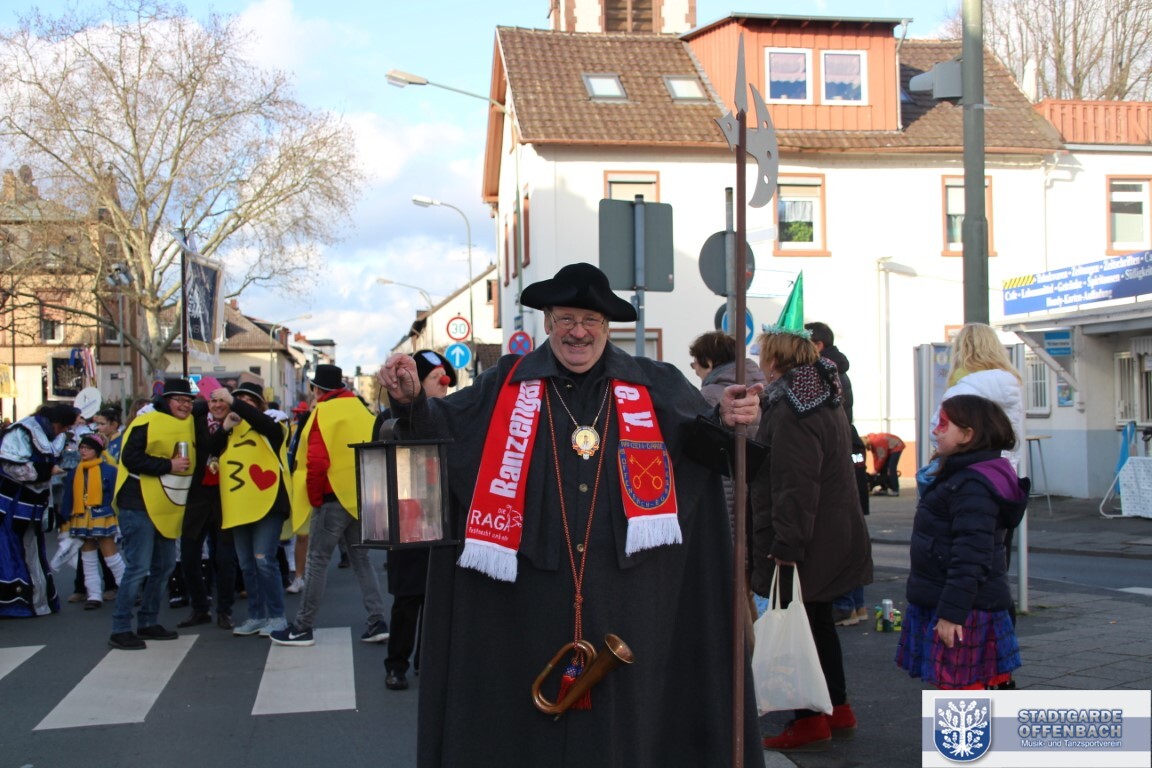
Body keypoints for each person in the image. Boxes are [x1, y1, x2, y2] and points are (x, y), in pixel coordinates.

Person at [377, 262, 765, 768]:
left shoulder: (655, 384)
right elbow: (443, 431)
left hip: (629, 603)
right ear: (547, 322)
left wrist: (730, 418)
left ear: (607, 326)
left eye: (590, 320)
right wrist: (409, 402)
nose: (577, 332)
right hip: (524, 607)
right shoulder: (505, 384)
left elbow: (703, 448)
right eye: (565, 319)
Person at [750, 327, 873, 752]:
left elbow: (795, 483)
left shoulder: (793, 408)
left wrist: (787, 545)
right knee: (818, 626)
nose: (760, 362)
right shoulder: (823, 396)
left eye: (763, 355)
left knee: (798, 628)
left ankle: (808, 719)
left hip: (807, 539)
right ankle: (837, 709)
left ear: (775, 360)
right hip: (830, 533)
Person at [895, 394, 1028, 689]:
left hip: (965, 610)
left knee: (963, 696)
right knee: (968, 694)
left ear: (968, 435)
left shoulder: (971, 485)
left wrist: (951, 614)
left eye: (944, 424)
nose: (936, 431)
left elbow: (972, 556)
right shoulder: (961, 476)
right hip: (959, 603)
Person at [269, 364, 388, 647]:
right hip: (360, 496)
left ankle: (302, 627)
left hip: (331, 497)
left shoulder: (323, 413)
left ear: (317, 389)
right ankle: (377, 621)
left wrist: (314, 498)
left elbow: (317, 462)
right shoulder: (361, 410)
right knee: (361, 560)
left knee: (317, 560)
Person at [379, 349, 455, 691]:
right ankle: (397, 664)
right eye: (436, 378)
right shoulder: (390, 418)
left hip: (444, 520)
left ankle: (428, 660)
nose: (444, 384)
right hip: (409, 520)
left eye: (444, 378)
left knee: (438, 600)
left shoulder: (452, 415)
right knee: (407, 599)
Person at [108, 379, 196, 650]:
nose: (185, 405)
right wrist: (168, 464)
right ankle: (120, 628)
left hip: (166, 506)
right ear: (166, 400)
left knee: (165, 565)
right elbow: (130, 458)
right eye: (179, 400)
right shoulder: (146, 422)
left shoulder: (187, 424)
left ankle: (148, 621)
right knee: (138, 567)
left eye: (189, 401)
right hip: (138, 503)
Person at [806, 320, 871, 628]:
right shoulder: (836, 369)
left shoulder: (823, 371)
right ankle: (856, 605)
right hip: (848, 451)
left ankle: (846, 605)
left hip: (836, 457)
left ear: (817, 345)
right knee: (848, 528)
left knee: (837, 532)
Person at [213, 382, 291, 637]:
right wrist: (225, 428)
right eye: (239, 399)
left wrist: (234, 403)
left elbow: (263, 424)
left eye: (249, 400)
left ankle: (277, 617)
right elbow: (209, 449)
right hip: (238, 506)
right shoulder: (231, 431)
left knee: (264, 560)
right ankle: (257, 616)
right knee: (246, 564)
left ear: (259, 405)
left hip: (269, 505)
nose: (242, 404)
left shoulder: (272, 426)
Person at [0, 403, 79, 617]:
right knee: (9, 552)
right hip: (10, 505)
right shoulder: (21, 432)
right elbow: (11, 467)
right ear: (55, 422)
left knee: (29, 549)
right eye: (63, 427)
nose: (64, 432)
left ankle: (35, 599)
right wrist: (47, 470)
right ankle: (17, 602)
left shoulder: (52, 434)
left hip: (35, 503)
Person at [174, 387, 234, 630]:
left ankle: (225, 610)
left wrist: (229, 424)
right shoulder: (196, 418)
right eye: (214, 400)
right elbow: (209, 445)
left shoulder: (238, 423)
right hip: (197, 497)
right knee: (189, 556)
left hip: (225, 498)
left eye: (223, 401)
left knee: (225, 559)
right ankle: (199, 608)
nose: (218, 405)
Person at [937, 323, 1026, 473]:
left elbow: (939, 432)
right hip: (1006, 468)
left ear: (960, 350)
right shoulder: (1010, 383)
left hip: (968, 469)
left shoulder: (961, 388)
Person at [60, 433, 123, 610]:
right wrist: (64, 518)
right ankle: (94, 595)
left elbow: (116, 496)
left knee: (111, 555)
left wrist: (118, 515)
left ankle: (128, 590)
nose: (83, 451)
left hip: (103, 515)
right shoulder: (75, 471)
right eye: (81, 447)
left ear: (97, 451)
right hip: (81, 515)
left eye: (87, 448)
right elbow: (68, 496)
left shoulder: (110, 470)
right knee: (88, 557)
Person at [864, 432, 906, 496]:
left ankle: (895, 490)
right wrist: (876, 469)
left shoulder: (877, 442)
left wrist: (876, 470)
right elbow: (876, 457)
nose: (868, 450)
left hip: (896, 446)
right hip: (889, 448)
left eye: (867, 447)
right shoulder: (872, 441)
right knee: (883, 467)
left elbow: (881, 457)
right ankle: (884, 488)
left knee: (891, 467)